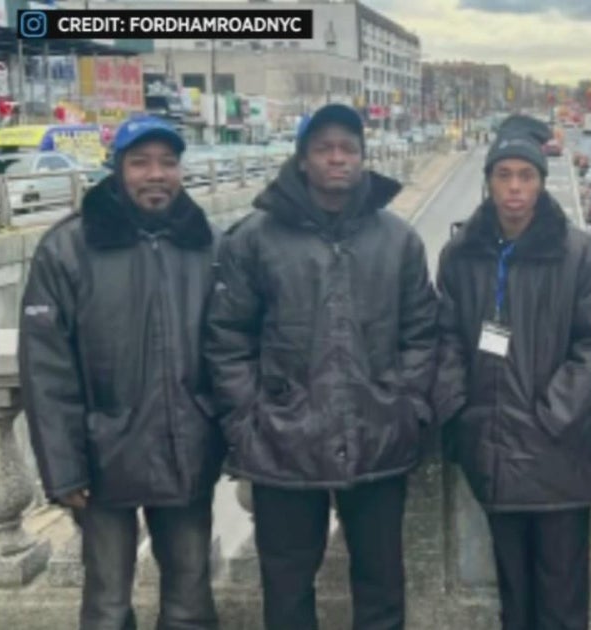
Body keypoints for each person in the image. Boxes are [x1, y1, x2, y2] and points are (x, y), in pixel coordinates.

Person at [203, 103, 438, 629]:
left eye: (348, 148)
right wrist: (248, 419)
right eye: (324, 148)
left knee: (381, 585)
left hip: (377, 433)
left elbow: (423, 332)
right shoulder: (254, 239)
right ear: (303, 159)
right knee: (286, 589)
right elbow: (228, 339)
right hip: (283, 443)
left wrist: (407, 406)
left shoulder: (398, 240)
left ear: (363, 157)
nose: (337, 158)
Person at [19, 116, 222, 629]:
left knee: (191, 602)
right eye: (140, 162)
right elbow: (47, 369)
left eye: (168, 162)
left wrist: (229, 435)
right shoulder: (67, 248)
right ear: (117, 169)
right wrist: (63, 468)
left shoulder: (208, 244)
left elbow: (233, 349)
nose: (156, 174)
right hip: (101, 456)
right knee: (107, 605)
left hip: (186, 449)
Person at [432, 115, 591, 630]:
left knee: (562, 597)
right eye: (504, 175)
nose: (515, 188)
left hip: (558, 453)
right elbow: (445, 337)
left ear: (542, 182)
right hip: (492, 448)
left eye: (526, 175)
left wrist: (551, 415)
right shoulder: (461, 255)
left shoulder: (580, 253)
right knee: (513, 594)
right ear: (489, 181)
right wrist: (460, 410)